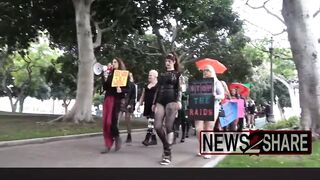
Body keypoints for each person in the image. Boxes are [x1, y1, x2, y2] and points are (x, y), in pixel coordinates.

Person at [152, 52, 182, 165]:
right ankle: (166, 146)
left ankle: (167, 154)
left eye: (169, 61)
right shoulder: (162, 75)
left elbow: (179, 89)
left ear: (174, 62)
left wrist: (179, 101)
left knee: (169, 126)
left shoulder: (178, 74)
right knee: (157, 126)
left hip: (172, 101)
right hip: (160, 101)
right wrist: (154, 103)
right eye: (166, 61)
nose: (167, 63)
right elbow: (158, 89)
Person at [195, 65, 224, 159]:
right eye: (204, 70)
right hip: (200, 107)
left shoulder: (217, 82)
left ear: (212, 72)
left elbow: (222, 95)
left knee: (208, 129)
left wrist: (214, 96)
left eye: (207, 70)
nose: (205, 72)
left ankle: (208, 150)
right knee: (198, 129)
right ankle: (202, 146)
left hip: (213, 107)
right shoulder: (199, 83)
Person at [100, 58, 129, 154]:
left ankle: (116, 138)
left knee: (111, 122)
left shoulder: (123, 74)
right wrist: (104, 77)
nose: (113, 64)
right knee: (105, 123)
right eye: (112, 62)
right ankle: (107, 144)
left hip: (116, 100)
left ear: (119, 63)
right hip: (108, 99)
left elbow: (128, 89)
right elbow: (105, 87)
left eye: (115, 62)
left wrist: (122, 90)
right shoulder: (110, 73)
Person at [137, 70, 158, 146]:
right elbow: (143, 95)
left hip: (155, 106)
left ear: (155, 76)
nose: (149, 76)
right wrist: (139, 105)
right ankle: (154, 139)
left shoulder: (158, 86)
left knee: (151, 122)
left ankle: (147, 138)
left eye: (151, 75)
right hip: (147, 106)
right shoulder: (146, 85)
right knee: (151, 122)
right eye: (149, 75)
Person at [119, 72, 137, 143]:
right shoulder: (122, 84)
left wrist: (130, 104)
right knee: (117, 118)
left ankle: (129, 135)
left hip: (128, 104)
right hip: (121, 103)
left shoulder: (132, 85)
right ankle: (115, 134)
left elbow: (133, 96)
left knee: (127, 120)